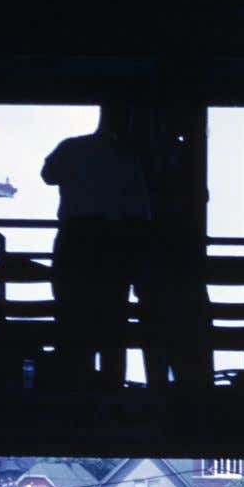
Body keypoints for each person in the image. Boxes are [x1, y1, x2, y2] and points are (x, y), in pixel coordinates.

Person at [41, 105, 152, 389]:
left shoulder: (72, 147)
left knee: (71, 316)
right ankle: (111, 391)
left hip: (73, 240)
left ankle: (75, 388)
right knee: (112, 323)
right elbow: (139, 214)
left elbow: (48, 174)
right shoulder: (127, 160)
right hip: (111, 243)